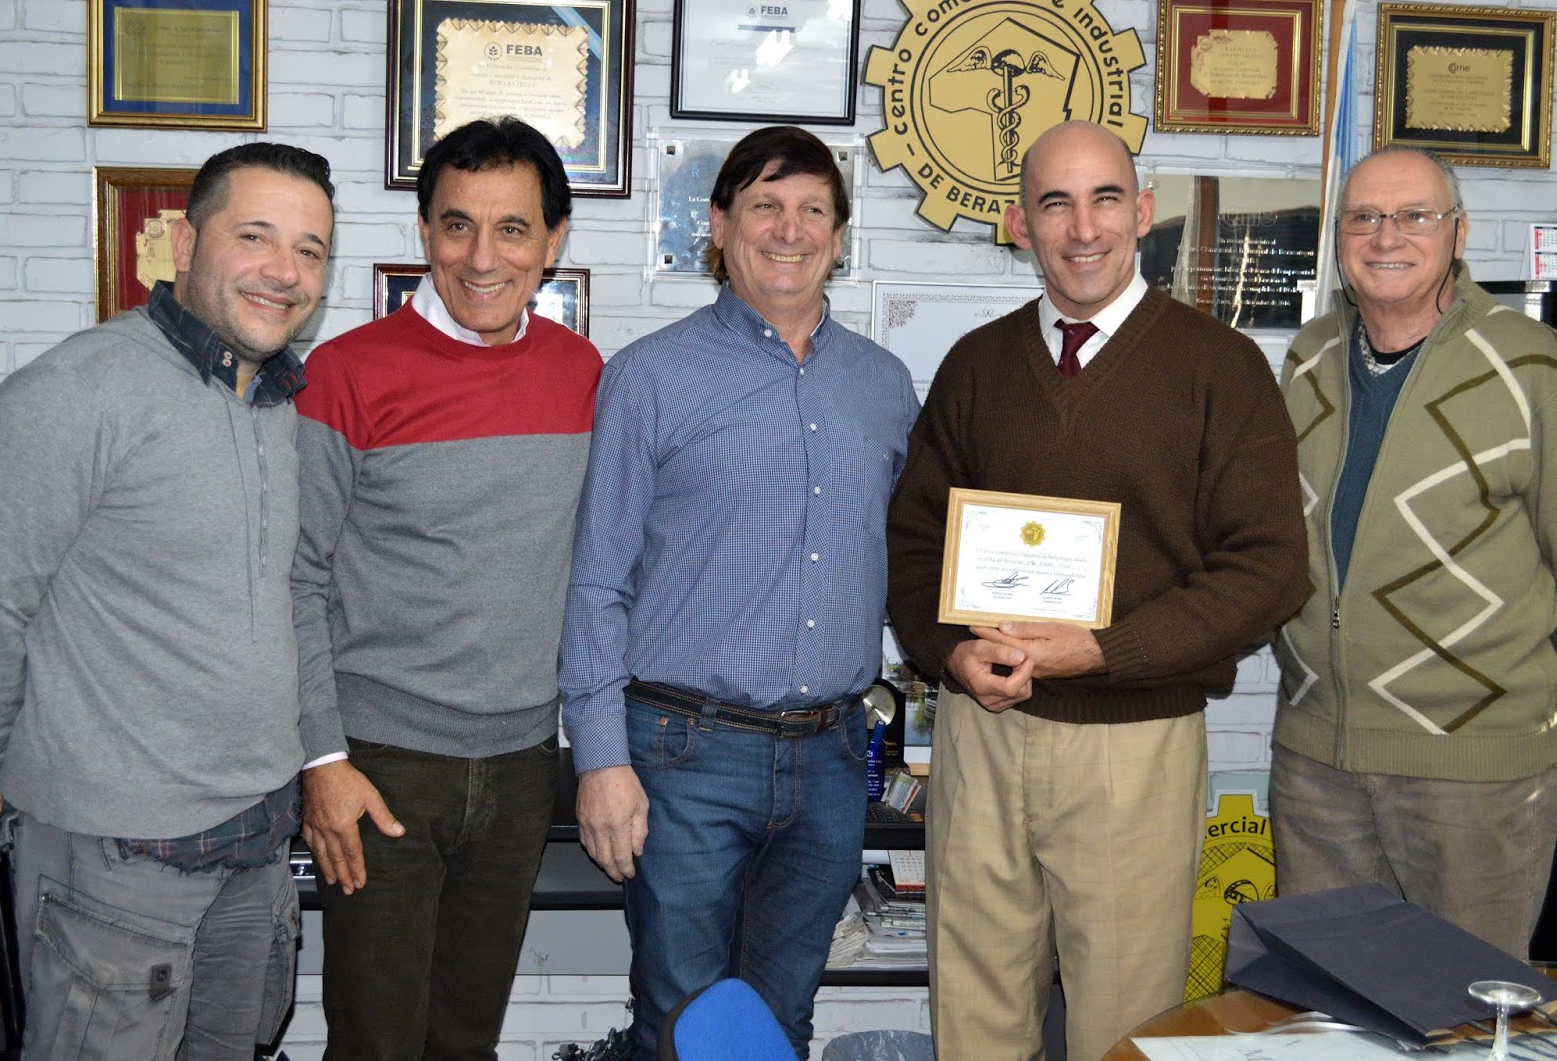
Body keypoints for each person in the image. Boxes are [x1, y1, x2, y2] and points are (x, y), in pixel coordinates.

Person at [884, 120, 1309, 1061]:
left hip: (1133, 743)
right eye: (1055, 203)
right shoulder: (976, 364)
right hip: (983, 731)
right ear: (1019, 224)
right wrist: (949, 650)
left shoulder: (1221, 367)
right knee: (974, 1016)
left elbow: (1270, 567)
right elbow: (915, 542)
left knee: (1125, 1022)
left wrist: (1104, 651)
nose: (1083, 228)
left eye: (1105, 198)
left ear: (1143, 212)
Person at [0, 141, 334, 1059]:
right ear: (186, 242)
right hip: (113, 861)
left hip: (255, 844)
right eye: (255, 236)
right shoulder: (75, 390)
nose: (284, 271)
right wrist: (21, 765)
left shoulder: (276, 402)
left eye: (310, 250)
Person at [558, 125, 920, 1060]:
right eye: (765, 206)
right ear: (719, 226)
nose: (789, 230)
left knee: (781, 1022)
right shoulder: (648, 377)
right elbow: (597, 580)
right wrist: (599, 759)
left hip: (832, 758)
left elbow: (919, 556)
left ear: (838, 232)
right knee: (681, 1024)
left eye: (812, 209)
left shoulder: (884, 386)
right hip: (684, 756)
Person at [292, 117, 601, 1059]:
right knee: (374, 1040)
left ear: (553, 241)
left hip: (520, 764)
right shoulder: (345, 373)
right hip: (380, 764)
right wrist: (320, 760)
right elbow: (293, 578)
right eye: (457, 225)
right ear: (424, 231)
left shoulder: (583, 375)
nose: (481, 257)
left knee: (466, 1038)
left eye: (512, 229)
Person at [1271, 147, 1557, 957]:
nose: (1385, 236)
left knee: (1465, 1005)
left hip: (1475, 772)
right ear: (1338, 238)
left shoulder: (1533, 364)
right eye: (1363, 216)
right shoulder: (1309, 357)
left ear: (1458, 233)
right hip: (1315, 759)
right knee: (1326, 1002)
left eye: (1414, 216)